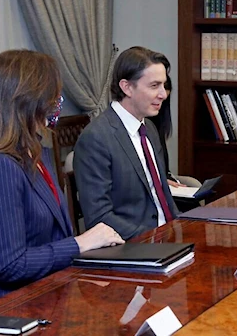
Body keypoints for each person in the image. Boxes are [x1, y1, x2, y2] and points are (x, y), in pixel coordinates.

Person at [0, 50, 124, 302]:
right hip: (12, 307)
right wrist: (80, 243)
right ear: (28, 100)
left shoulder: (38, 152)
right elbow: (9, 265)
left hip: (50, 291)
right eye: (53, 96)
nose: (57, 103)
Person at [74, 46, 180, 240]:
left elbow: (162, 196)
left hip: (168, 237)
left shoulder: (149, 128)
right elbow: (99, 217)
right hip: (133, 246)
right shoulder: (96, 138)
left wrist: (184, 229)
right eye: (154, 86)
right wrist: (153, 238)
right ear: (127, 87)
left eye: (163, 86)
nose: (163, 94)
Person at [148, 72, 201, 189]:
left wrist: (169, 180)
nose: (159, 104)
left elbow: (164, 169)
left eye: (164, 101)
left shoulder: (157, 125)